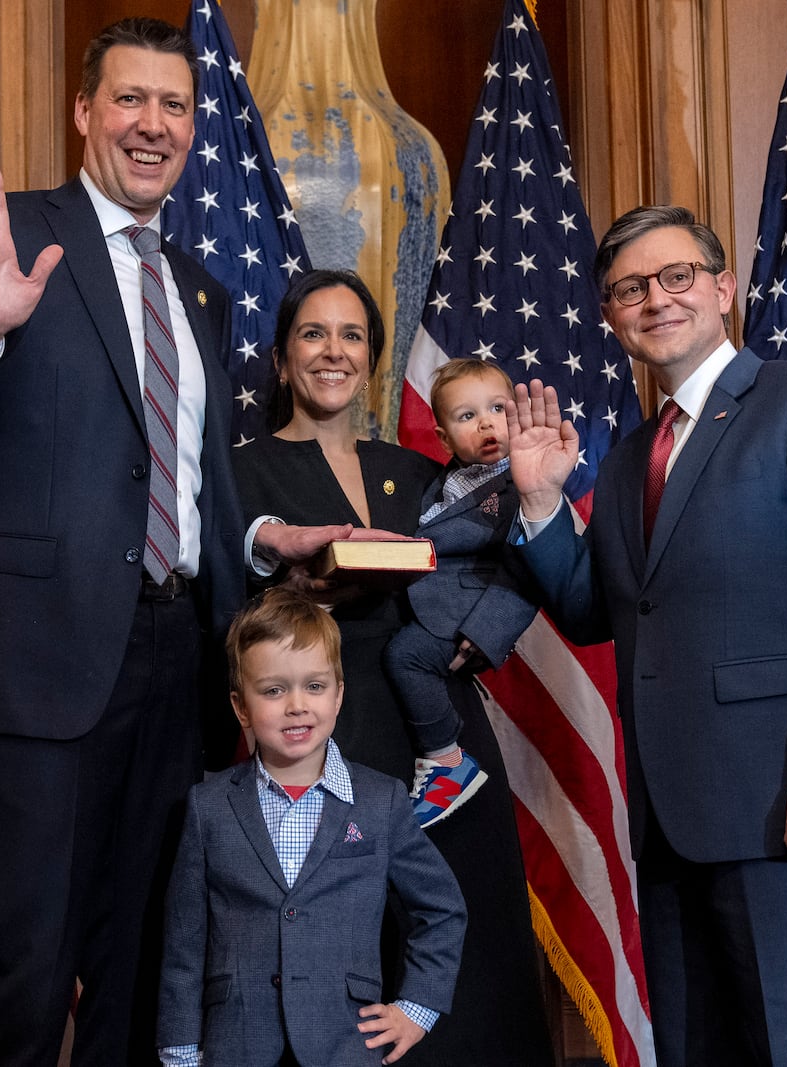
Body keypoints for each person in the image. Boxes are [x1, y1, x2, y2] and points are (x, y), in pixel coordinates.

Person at [0, 18, 251, 1065]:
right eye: (130, 99)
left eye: (174, 105)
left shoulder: (203, 290)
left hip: (183, 674)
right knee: (26, 974)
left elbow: (192, 481)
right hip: (43, 667)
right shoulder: (10, 237)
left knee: (147, 967)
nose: (152, 124)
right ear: (84, 111)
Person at [507, 205, 787, 1066]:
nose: (655, 298)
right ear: (612, 318)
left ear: (723, 288)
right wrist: (543, 503)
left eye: (676, 276)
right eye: (629, 288)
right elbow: (595, 611)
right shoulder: (625, 461)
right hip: (672, 823)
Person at [233, 269, 555, 1061]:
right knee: (351, 962)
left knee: (471, 941)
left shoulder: (420, 473)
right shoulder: (241, 470)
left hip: (439, 733)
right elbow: (216, 604)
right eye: (313, 333)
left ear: (372, 359)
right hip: (321, 738)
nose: (333, 350)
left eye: (353, 336)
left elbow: (505, 560)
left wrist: (483, 632)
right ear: (280, 359)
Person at [157, 588, 466, 1066]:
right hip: (237, 1045)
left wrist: (417, 1008)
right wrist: (180, 1050)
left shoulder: (380, 801)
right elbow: (184, 941)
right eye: (274, 690)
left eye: (315, 686)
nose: (297, 706)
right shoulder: (208, 805)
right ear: (241, 707)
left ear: (339, 695)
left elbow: (442, 910)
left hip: (346, 1043)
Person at [381, 359, 537, 828]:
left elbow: (530, 566)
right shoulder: (445, 480)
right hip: (435, 605)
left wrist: (487, 630)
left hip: (466, 613)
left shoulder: (523, 483)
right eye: (466, 416)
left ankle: (447, 762)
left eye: (497, 409)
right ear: (445, 438)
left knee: (404, 658)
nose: (486, 422)